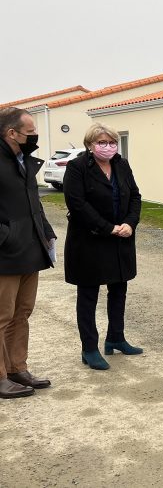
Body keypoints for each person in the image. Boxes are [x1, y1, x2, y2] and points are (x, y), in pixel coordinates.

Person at [64, 123, 142, 371]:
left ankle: (116, 338)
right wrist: (108, 227)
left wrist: (130, 223)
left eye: (111, 142)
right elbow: (77, 204)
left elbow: (136, 196)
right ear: (90, 145)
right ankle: (89, 348)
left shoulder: (122, 164)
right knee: (88, 296)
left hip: (121, 239)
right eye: (101, 142)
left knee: (119, 289)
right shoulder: (77, 168)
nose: (107, 147)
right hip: (90, 240)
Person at [0, 107, 55, 398]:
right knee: (1, 316)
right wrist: (7, 237)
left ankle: (16, 368)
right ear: (12, 133)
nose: (34, 137)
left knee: (22, 313)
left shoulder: (23, 161)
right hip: (5, 255)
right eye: (30, 132)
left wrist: (46, 231)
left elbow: (35, 202)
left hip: (30, 250)